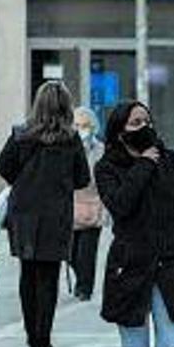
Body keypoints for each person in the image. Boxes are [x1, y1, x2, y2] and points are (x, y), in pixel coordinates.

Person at [94, 101, 174, 347]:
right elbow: (120, 205)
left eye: (147, 121)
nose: (145, 127)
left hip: (172, 267)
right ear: (120, 132)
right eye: (136, 123)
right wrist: (143, 165)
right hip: (129, 268)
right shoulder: (107, 167)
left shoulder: (173, 162)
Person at [0, 82, 91, 347]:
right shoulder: (71, 139)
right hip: (55, 215)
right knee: (49, 277)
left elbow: (3, 167)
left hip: (24, 213)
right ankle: (43, 338)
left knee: (28, 273)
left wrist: (26, 183)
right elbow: (82, 178)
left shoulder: (20, 134)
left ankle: (30, 334)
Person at [70, 107, 106, 301]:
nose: (80, 129)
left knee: (87, 252)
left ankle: (85, 288)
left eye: (84, 125)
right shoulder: (68, 149)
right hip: (71, 206)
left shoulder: (101, 150)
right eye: (76, 125)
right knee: (71, 253)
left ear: (93, 127)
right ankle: (81, 279)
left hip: (93, 205)